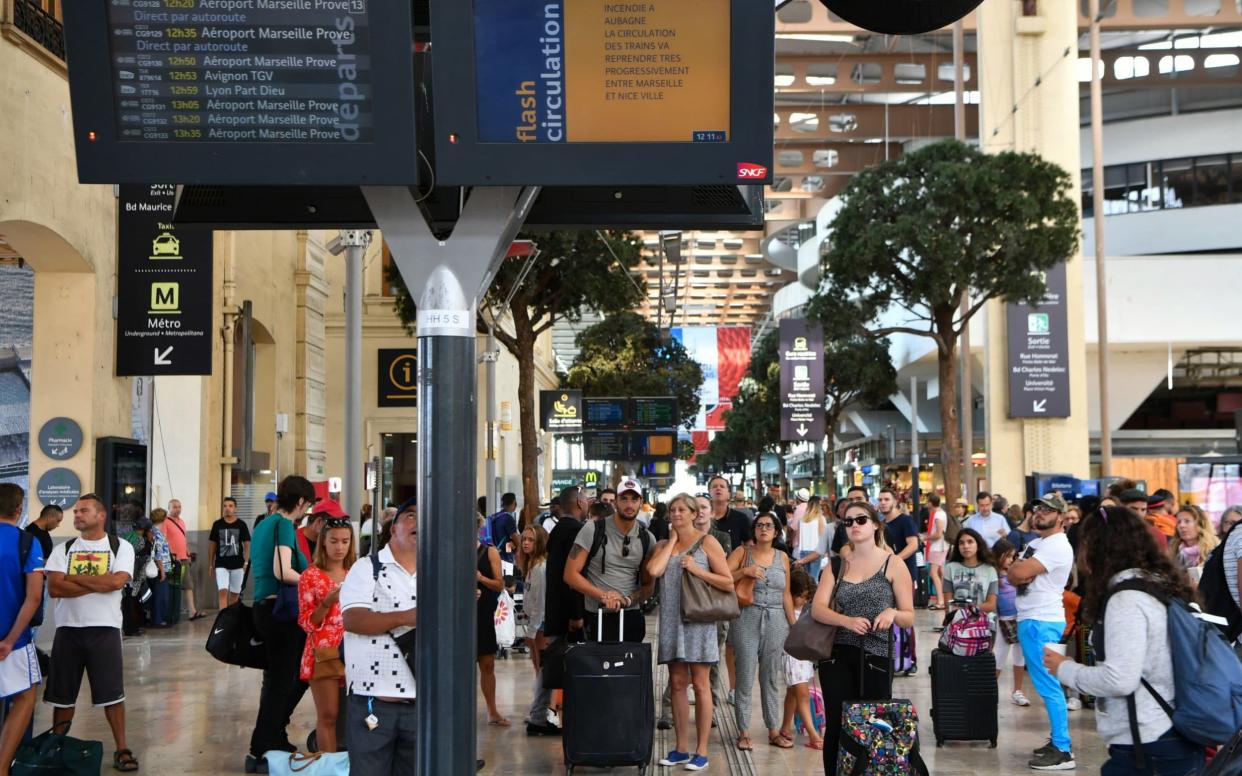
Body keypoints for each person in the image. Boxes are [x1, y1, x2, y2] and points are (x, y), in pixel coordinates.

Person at [1044, 505, 1204, 775]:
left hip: (1148, 744)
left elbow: (1120, 680)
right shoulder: (1157, 584)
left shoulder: (1127, 599)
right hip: (1168, 736)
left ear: (1099, 548)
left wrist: (1065, 668)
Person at [812, 500, 914, 776]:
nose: (854, 526)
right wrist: (846, 620)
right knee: (837, 721)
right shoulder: (836, 564)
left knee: (874, 721)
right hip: (837, 653)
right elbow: (818, 608)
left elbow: (909, 616)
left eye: (861, 520)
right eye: (848, 522)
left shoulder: (892, 563)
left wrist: (892, 612)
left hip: (876, 654)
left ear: (875, 524)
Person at [44, 493, 137, 772]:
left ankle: (122, 748)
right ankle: (56, 747)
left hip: (105, 629)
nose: (77, 516)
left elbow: (117, 582)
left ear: (101, 516)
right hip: (68, 631)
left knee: (112, 695)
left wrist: (74, 578)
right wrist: (101, 581)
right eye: (75, 512)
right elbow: (55, 588)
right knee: (62, 696)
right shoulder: (64, 549)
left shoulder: (120, 547)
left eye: (83, 511)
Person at [646, 493, 733, 771]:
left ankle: (702, 750)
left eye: (682, 509)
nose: (676, 514)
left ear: (695, 513)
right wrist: (672, 540)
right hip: (672, 622)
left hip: (698, 621)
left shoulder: (708, 542)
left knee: (701, 683)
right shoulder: (664, 544)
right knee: (678, 684)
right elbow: (653, 570)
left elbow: (728, 582)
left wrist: (697, 569)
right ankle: (680, 748)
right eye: (673, 509)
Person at [340, 497, 418, 775]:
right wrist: (407, 617)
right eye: (410, 515)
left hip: (422, 704)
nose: (418, 522)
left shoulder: (437, 573)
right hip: (372, 701)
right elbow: (353, 619)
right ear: (392, 527)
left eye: (424, 516)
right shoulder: (367, 568)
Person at [246, 475, 315, 773]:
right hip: (281, 611)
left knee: (277, 680)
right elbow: (283, 570)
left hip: (264, 607)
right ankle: (264, 746)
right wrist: (317, 583)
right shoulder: (285, 525)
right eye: (307, 505)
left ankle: (272, 738)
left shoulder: (264, 523)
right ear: (300, 502)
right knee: (283, 681)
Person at [1006, 492, 1076, 771]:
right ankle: (1058, 741)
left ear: (1061, 517)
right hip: (1031, 618)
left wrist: (1019, 569)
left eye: (1048, 510)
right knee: (1045, 684)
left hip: (1041, 620)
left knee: (1048, 686)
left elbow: (1017, 574)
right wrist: (1019, 569)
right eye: (1037, 508)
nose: (1040, 513)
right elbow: (1014, 571)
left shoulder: (1058, 546)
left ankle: (1063, 749)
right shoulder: (1038, 543)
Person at [728, 512, 796, 752]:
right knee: (745, 676)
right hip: (747, 616)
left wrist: (793, 625)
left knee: (770, 678)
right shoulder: (742, 553)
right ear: (754, 530)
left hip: (777, 619)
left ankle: (773, 730)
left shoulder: (782, 557)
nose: (764, 529)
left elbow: (786, 593)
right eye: (759, 525)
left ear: (776, 532)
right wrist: (744, 572)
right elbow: (722, 578)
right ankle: (744, 731)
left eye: (769, 526)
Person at [564, 478, 656, 644]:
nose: (629, 504)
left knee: (630, 669)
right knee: (598, 669)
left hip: (631, 617)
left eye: (634, 499)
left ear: (641, 502)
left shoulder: (647, 538)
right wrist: (604, 596)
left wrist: (627, 600)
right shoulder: (593, 529)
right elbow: (570, 574)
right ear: (615, 502)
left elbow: (648, 586)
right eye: (624, 499)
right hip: (596, 615)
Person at [297, 515, 355, 754]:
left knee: (358, 716)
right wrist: (327, 603)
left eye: (345, 541)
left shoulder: (356, 573)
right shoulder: (310, 576)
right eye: (334, 541)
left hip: (355, 651)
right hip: (323, 653)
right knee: (328, 714)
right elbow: (307, 623)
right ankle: (329, 765)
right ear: (323, 542)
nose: (339, 547)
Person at [0, 484, 44, 776]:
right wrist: (10, 640)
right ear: (19, 509)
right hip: (12, 642)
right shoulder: (27, 543)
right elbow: (34, 597)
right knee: (25, 696)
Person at [780, 568, 824, 751]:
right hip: (791, 656)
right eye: (801, 596)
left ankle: (784, 727)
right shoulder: (787, 608)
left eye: (807, 596)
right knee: (802, 694)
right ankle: (814, 736)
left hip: (801, 656)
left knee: (793, 693)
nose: (804, 600)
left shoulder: (806, 610)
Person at [518, 525, 556, 736]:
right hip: (534, 623)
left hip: (540, 625)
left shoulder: (541, 568)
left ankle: (541, 712)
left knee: (543, 669)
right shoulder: (532, 565)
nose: (525, 543)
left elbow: (541, 602)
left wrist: (532, 631)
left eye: (530, 540)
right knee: (539, 668)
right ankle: (540, 711)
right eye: (524, 539)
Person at [988, 539, 1030, 707]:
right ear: (999, 556)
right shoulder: (993, 575)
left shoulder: (1015, 574)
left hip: (1019, 617)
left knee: (1020, 656)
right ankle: (990, 690)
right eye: (1008, 556)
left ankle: (1017, 690)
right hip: (1002, 620)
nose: (1011, 559)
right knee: (999, 656)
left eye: (1014, 556)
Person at [475, 529, 508, 726]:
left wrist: (480, 578)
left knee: (487, 664)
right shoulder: (451, 549)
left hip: (484, 613)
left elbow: (499, 584)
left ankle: (492, 710)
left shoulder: (489, 552)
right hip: (460, 613)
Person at [209, 496, 252, 610]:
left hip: (238, 565)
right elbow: (212, 545)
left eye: (230, 506)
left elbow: (247, 544)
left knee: (234, 596)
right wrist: (210, 564)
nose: (227, 508)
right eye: (225, 506)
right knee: (223, 591)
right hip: (221, 564)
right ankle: (223, 620)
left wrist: (246, 563)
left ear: (235, 509)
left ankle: (232, 620)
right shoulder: (217, 524)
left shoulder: (241, 525)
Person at [164, 498, 203, 621]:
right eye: (174, 507)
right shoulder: (165, 522)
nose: (177, 509)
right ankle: (170, 613)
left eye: (179, 506)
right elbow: (163, 541)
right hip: (172, 560)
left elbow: (183, 539)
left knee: (188, 585)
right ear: (169, 508)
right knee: (171, 587)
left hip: (183, 558)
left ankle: (192, 611)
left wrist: (187, 553)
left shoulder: (182, 522)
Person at [943, 528, 998, 614]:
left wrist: (966, 610)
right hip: (958, 622)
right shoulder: (950, 568)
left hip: (983, 623)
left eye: (970, 542)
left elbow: (991, 605)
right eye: (961, 543)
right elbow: (948, 603)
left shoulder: (990, 570)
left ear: (978, 545)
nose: (965, 546)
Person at [1169, 503, 1218, 585]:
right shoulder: (1173, 550)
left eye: (1187, 521)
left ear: (1200, 525)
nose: (1181, 525)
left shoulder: (1214, 550)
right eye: (1179, 522)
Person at [707, 476, 751, 554]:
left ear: (729, 494)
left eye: (722, 486)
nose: (718, 488)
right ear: (709, 492)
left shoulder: (741, 518)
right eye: (714, 486)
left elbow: (749, 545)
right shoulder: (701, 518)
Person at [792, 496, 827, 581]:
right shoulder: (820, 519)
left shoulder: (802, 519)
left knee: (805, 580)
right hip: (815, 552)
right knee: (814, 579)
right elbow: (823, 537)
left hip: (803, 552)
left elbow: (799, 537)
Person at [923, 493, 948, 610]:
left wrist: (925, 537)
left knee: (933, 573)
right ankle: (943, 598)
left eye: (927, 501)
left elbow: (938, 534)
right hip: (943, 546)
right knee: (941, 572)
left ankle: (941, 600)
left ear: (930, 503)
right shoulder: (942, 513)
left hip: (937, 547)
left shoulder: (938, 515)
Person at [482, 493, 520, 566]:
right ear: (514, 502)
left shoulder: (495, 516)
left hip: (492, 554)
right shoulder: (508, 518)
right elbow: (516, 540)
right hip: (505, 557)